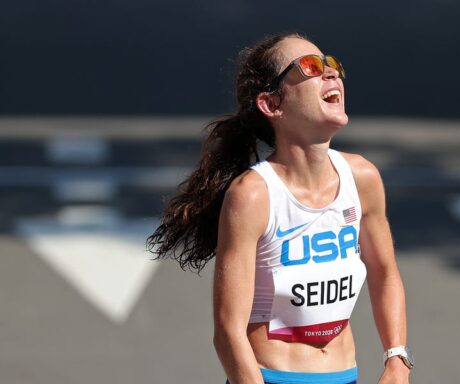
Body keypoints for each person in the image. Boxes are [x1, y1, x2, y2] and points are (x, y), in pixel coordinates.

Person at [147, 32, 412, 384]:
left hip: (344, 375)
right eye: (310, 67)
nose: (330, 73)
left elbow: (385, 273)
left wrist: (397, 358)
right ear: (272, 105)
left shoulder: (362, 177)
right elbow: (228, 331)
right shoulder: (253, 195)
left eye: (331, 64)